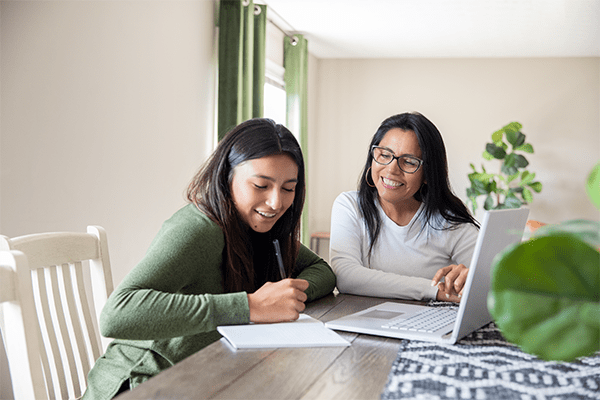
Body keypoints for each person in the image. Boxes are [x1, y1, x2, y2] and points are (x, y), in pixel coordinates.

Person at [84, 118, 336, 399]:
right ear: (228, 177)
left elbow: (321, 271)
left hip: (208, 376)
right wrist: (250, 305)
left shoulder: (260, 229)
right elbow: (116, 314)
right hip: (142, 381)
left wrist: (286, 296)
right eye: (261, 185)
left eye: (288, 188)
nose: (276, 202)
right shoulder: (197, 229)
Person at [330, 112, 479, 303]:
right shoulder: (350, 206)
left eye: (409, 161)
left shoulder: (449, 223)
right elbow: (346, 277)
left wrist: (472, 277)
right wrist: (432, 289)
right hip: (362, 322)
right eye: (384, 155)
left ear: (428, 174)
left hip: (428, 325)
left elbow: (494, 280)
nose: (392, 169)